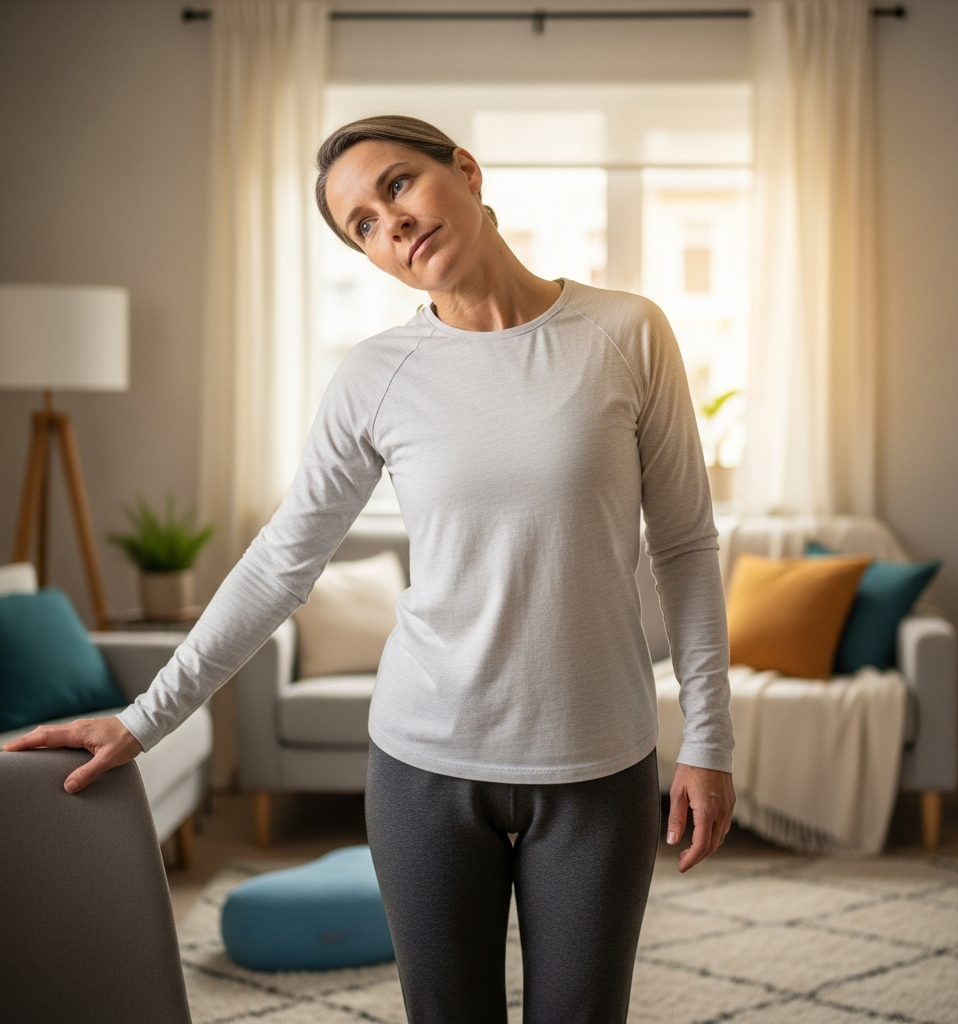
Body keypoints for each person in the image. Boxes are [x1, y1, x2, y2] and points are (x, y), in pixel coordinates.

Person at [5, 115, 735, 1024]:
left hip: (598, 766)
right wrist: (143, 721)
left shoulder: (628, 332)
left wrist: (709, 738)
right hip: (423, 769)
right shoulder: (377, 374)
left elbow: (685, 547)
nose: (388, 224)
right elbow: (281, 562)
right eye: (360, 224)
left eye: (397, 186)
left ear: (464, 171)